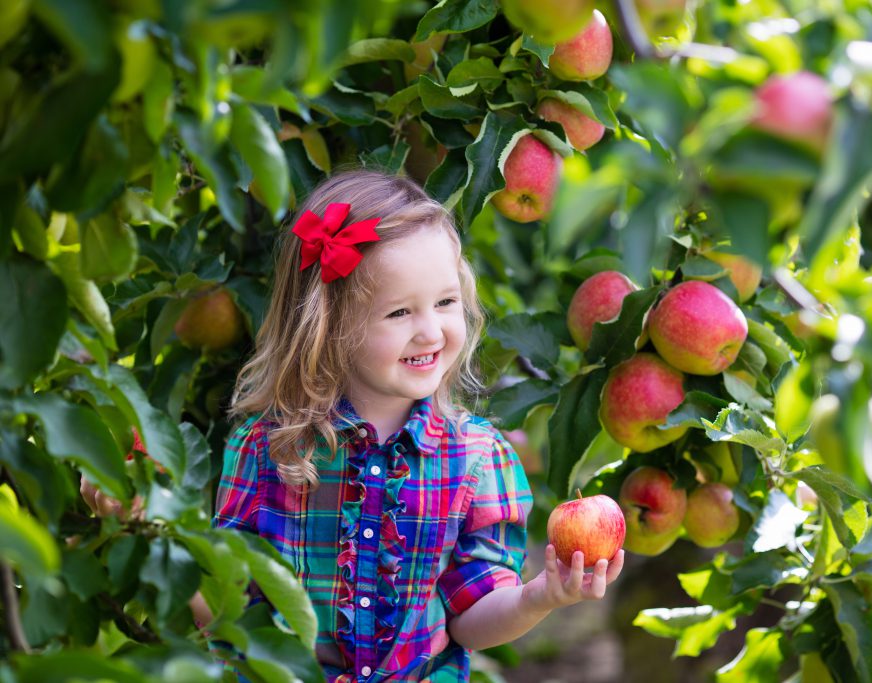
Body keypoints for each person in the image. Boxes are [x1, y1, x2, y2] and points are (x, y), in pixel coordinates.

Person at [208, 169, 625, 681]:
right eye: (400, 312)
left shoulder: (475, 457)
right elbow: (224, 605)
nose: (431, 331)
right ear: (328, 323)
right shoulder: (268, 448)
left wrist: (539, 597)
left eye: (446, 302)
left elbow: (470, 617)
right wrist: (157, 532)